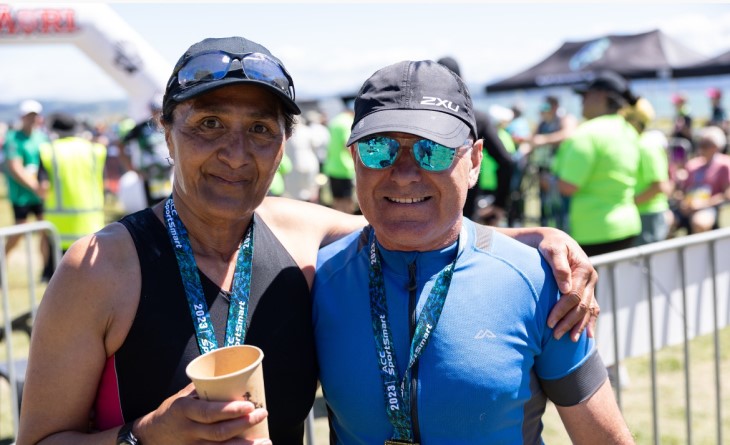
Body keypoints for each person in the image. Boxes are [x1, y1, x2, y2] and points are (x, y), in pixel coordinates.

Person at [18, 36, 600, 445]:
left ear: (283, 145)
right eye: (208, 125)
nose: (235, 154)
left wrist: (541, 240)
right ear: (166, 136)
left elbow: (422, 224)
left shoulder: (302, 237)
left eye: (261, 131)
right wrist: (145, 437)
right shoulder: (100, 269)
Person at [313, 60, 632, 444]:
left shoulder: (540, 281)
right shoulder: (317, 279)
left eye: (433, 150)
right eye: (379, 149)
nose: (404, 173)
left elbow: (605, 439)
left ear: (475, 162)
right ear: (354, 160)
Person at [554, 70, 642, 256]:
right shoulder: (629, 130)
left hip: (593, 231)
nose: (581, 101)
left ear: (601, 96)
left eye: (585, 95)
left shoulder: (587, 133)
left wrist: (550, 180)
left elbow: (568, 186)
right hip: (628, 225)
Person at [436, 56, 515, 223]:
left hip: (428, 209)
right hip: (465, 210)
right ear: (462, 82)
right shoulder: (477, 119)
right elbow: (506, 161)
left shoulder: (420, 121)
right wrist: (500, 204)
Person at [38, 112, 107, 256]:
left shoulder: (48, 151)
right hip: (92, 223)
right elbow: (104, 183)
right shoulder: (96, 150)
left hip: (59, 229)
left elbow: (43, 187)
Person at [2, 100, 51, 276]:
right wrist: (35, 186)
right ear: (22, 117)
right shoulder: (13, 138)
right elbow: (15, 166)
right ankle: (2, 263)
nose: (33, 120)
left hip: (39, 195)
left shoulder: (42, 137)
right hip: (21, 195)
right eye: (29, 116)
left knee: (44, 231)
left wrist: (43, 186)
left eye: (35, 116)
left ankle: (46, 270)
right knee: (18, 233)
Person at [621, 98, 674, 245]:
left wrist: (629, 203)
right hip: (639, 213)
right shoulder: (636, 143)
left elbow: (659, 186)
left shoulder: (646, 145)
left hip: (649, 214)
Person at [528, 95, 577, 231]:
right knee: (546, 212)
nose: (543, 111)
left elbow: (569, 133)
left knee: (562, 211)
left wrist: (544, 139)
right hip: (543, 172)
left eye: (546, 107)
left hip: (561, 173)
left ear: (555, 106)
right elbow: (533, 139)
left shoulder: (565, 119)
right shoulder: (542, 124)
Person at [118, 94, 174, 207]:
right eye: (154, 110)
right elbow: (121, 145)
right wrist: (131, 168)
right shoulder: (142, 128)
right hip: (150, 175)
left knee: (171, 205)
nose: (157, 113)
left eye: (160, 110)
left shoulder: (169, 126)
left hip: (168, 173)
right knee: (155, 208)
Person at [672, 125, 730, 234]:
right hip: (686, 207)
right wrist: (682, 202)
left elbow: (727, 194)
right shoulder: (692, 164)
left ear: (716, 147)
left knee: (699, 222)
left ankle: (696, 251)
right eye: (700, 144)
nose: (701, 148)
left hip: (709, 207)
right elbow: (680, 191)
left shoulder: (725, 164)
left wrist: (702, 204)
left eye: (705, 145)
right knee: (667, 220)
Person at [322, 105, 356, 213]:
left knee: (336, 200)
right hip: (344, 168)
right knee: (347, 201)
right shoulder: (348, 123)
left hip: (332, 167)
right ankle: (347, 227)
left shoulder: (334, 122)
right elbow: (348, 145)